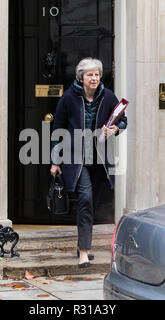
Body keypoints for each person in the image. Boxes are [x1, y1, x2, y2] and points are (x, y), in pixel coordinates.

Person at [50, 57, 127, 268]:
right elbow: (58, 128)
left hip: (100, 159)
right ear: (81, 77)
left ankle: (81, 243)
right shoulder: (69, 97)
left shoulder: (108, 96)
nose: (94, 78)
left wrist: (115, 129)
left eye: (97, 74)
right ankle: (84, 251)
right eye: (90, 75)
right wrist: (55, 161)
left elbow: (123, 119)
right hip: (76, 158)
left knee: (92, 201)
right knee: (85, 198)